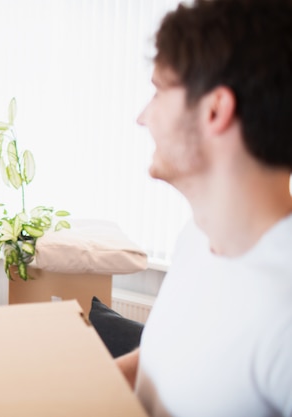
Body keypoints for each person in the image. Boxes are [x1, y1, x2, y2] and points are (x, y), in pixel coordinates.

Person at [115, 0, 292, 416]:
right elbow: (167, 361)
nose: (143, 117)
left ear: (215, 110)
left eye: (159, 91)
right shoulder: (197, 236)